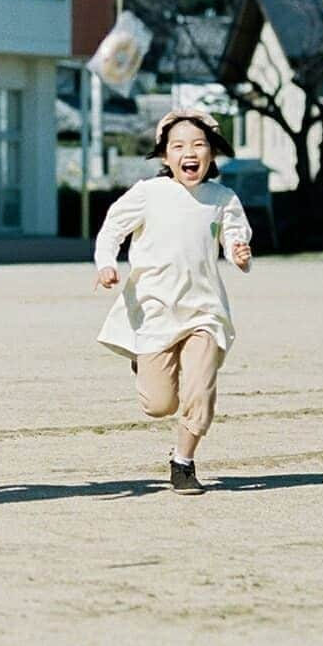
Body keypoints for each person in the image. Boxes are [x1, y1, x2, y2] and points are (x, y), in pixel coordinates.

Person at [94, 109, 252, 494]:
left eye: (199, 145)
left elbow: (235, 235)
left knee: (199, 387)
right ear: (165, 156)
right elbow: (112, 229)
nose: (189, 153)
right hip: (155, 312)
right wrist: (106, 264)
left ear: (212, 153)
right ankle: (142, 363)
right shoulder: (148, 193)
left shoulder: (222, 198)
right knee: (159, 404)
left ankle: (183, 462)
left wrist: (237, 252)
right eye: (178, 146)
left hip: (204, 311)